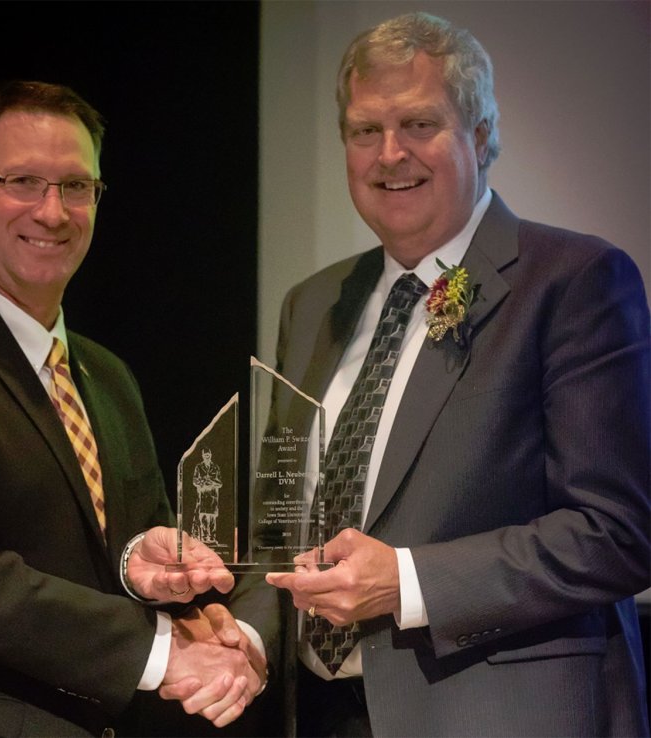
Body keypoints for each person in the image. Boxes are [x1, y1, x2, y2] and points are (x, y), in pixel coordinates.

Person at [0, 80, 274, 737]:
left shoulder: (108, 376)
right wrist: (163, 651)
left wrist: (139, 563)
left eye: (75, 186)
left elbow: (110, 543)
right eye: (23, 181)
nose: (52, 212)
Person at [264, 12, 650, 737]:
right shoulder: (312, 304)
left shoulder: (574, 282)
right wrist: (243, 634)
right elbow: (280, 515)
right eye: (363, 131)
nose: (389, 154)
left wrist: (406, 582)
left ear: (478, 135)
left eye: (418, 125)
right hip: (314, 714)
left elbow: (617, 532)